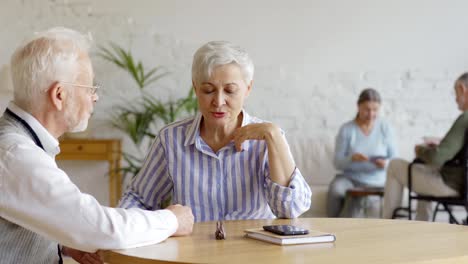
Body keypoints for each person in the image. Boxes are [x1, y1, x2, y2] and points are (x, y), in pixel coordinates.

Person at [0, 27, 194, 264]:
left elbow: (20, 219)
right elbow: (102, 228)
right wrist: (172, 219)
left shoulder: (19, 145)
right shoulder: (15, 154)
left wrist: (62, 246)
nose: (95, 97)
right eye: (90, 88)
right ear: (59, 95)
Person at [119, 41, 312, 222]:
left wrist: (273, 134)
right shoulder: (170, 140)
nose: (218, 102)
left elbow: (291, 210)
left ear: (248, 88)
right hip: (193, 253)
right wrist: (116, 233)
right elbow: (139, 199)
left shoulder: (269, 139)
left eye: (230, 90)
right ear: (195, 88)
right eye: (208, 90)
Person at [383, 73, 468, 221]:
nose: (455, 99)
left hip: (451, 184)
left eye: (456, 93)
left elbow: (437, 158)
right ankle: (423, 224)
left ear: (462, 89)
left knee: (395, 165)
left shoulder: (465, 118)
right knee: (423, 170)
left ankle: (387, 223)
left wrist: (420, 150)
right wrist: (441, 143)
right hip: (461, 181)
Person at [327, 88, 397, 217]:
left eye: (375, 110)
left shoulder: (385, 128)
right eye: (367, 109)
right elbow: (337, 163)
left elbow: (394, 160)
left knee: (355, 203)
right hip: (350, 178)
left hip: (376, 181)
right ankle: (329, 224)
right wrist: (351, 158)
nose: (371, 114)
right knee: (335, 190)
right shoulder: (347, 129)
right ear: (358, 106)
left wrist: (385, 163)